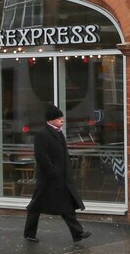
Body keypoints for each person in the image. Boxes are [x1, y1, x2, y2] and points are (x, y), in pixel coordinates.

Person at [24, 104, 88, 244]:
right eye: (59, 118)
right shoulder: (42, 134)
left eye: (62, 118)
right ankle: (29, 233)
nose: (62, 121)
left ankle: (78, 233)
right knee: (36, 206)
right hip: (48, 178)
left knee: (67, 206)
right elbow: (41, 157)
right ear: (51, 119)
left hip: (61, 178)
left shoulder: (58, 133)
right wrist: (52, 172)